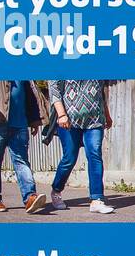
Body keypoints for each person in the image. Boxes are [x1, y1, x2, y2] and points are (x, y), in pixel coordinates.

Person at [0, 80, 48, 214]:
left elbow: (30, 92)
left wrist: (34, 119)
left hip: (20, 122)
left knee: (22, 161)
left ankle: (30, 197)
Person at [48, 79, 115, 214]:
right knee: (69, 159)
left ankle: (97, 200)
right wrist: (61, 114)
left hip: (95, 120)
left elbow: (100, 91)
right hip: (69, 121)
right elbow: (54, 88)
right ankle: (56, 190)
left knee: (95, 155)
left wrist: (106, 114)